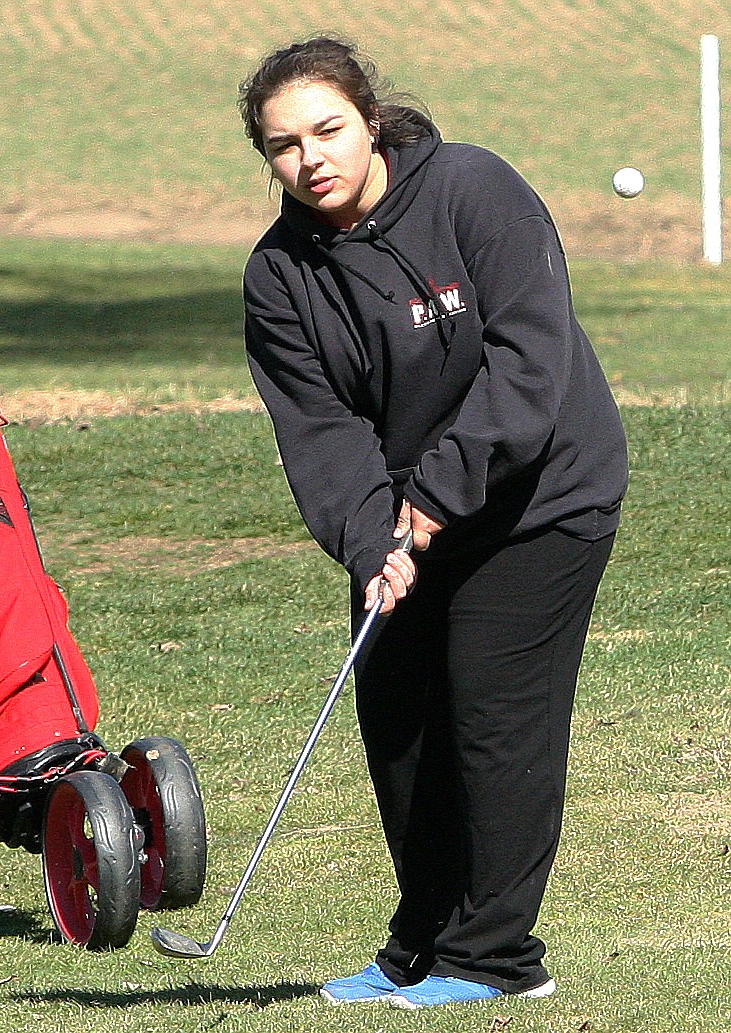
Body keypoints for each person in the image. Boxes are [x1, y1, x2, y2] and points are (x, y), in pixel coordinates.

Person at [238, 37, 627, 1011]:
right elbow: (320, 434)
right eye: (283, 146)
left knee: (490, 715)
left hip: (540, 494)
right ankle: (419, 946)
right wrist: (374, 539)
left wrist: (436, 496)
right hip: (405, 518)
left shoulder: (471, 190)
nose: (310, 158)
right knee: (399, 717)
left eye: (327, 130)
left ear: (369, 121)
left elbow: (527, 363)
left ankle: (496, 959)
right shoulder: (277, 275)